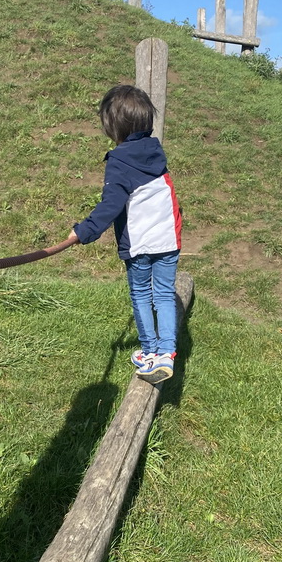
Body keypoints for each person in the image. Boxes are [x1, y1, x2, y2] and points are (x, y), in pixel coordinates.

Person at [66, 84, 182, 384]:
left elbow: (112, 205)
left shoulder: (120, 161)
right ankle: (167, 353)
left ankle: (151, 351)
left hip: (141, 242)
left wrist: (84, 231)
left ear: (112, 126)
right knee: (165, 294)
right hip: (169, 238)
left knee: (142, 294)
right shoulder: (155, 152)